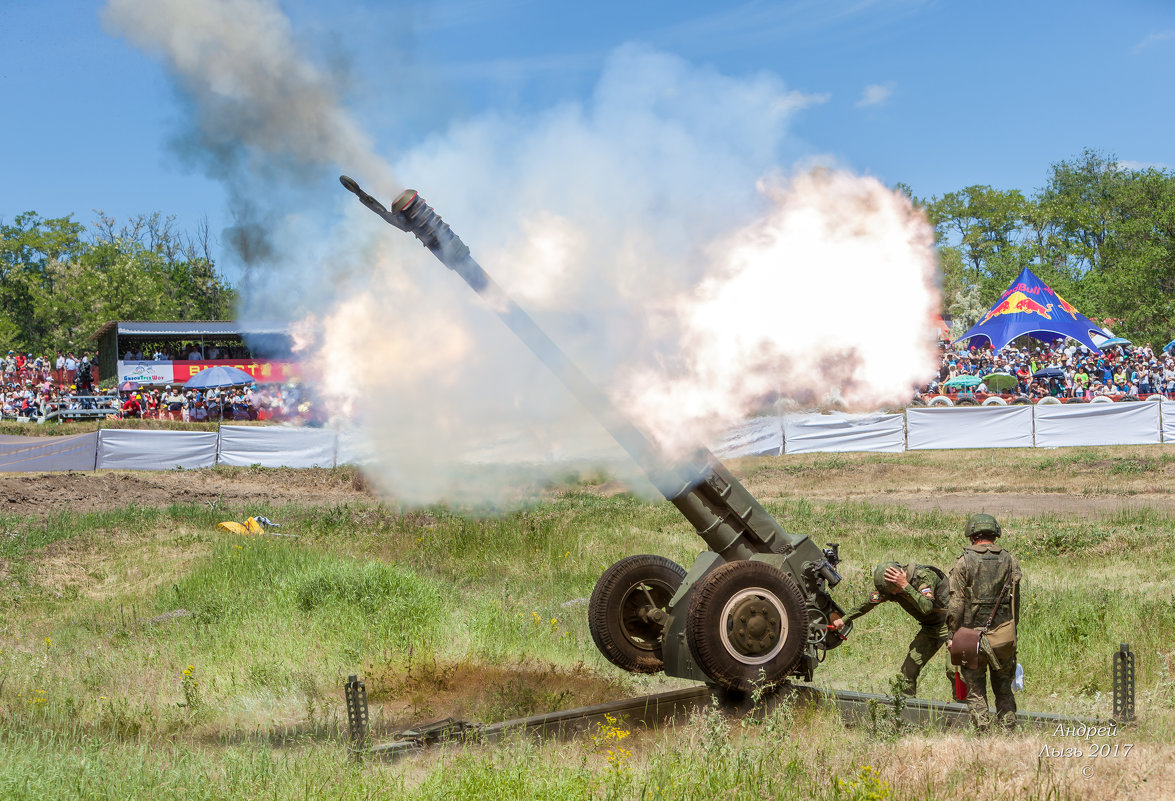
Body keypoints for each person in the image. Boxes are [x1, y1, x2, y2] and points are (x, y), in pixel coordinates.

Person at [831, 560, 953, 697]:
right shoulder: (891, 588)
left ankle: (966, 710)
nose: (893, 595)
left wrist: (905, 586)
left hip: (955, 624)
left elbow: (927, 608)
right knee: (908, 670)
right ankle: (905, 709)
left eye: (895, 590)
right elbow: (870, 602)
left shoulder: (923, 577)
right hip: (931, 628)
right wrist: (844, 619)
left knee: (954, 670)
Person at [947, 514, 1022, 733]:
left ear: (972, 535)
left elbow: (956, 605)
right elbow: (1015, 602)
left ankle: (983, 733)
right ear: (994, 534)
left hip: (970, 638)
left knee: (976, 689)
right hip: (1003, 636)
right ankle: (1008, 731)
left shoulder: (963, 562)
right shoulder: (1010, 560)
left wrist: (952, 636)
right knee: (1004, 688)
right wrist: (1011, 631)